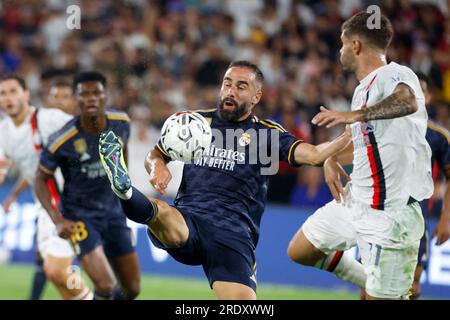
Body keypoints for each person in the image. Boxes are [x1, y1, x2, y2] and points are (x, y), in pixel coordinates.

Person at [98, 60, 351, 300]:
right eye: (227, 83)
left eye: (241, 87)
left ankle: (126, 193)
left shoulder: (266, 134)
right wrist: (157, 166)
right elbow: (156, 153)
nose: (231, 91)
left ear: (256, 97)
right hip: (190, 219)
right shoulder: (196, 122)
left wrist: (345, 137)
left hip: (233, 234)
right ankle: (125, 190)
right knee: (160, 211)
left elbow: (314, 154)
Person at [286, 12, 433, 300]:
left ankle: (384, 290)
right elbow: (366, 142)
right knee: (300, 250)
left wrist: (354, 115)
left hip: (391, 216)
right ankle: (374, 282)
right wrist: (331, 158)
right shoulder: (362, 89)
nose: (339, 51)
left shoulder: (395, 73)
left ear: (355, 46)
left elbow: (406, 100)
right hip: (356, 203)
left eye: (342, 44)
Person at [35, 71, 141, 300]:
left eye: (97, 93)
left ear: (105, 96)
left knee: (131, 289)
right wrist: (57, 219)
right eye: (84, 94)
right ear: (76, 98)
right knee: (104, 286)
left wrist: (123, 183)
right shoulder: (61, 140)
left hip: (113, 212)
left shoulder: (121, 122)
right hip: (80, 217)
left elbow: (123, 147)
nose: (91, 98)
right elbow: (40, 179)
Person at [0, 74, 93, 300]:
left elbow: (88, 136)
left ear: (26, 94)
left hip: (72, 204)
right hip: (45, 207)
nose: (8, 98)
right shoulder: (3, 132)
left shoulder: (50, 119)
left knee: (57, 269)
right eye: (3, 93)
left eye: (13, 91)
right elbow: (15, 169)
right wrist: (12, 195)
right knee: (54, 272)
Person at [410, 73, 450, 299]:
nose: (415, 96)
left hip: (417, 222)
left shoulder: (438, 136)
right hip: (378, 219)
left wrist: (445, 218)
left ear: (428, 97)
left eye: (420, 91)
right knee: (368, 286)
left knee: (413, 285)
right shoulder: (381, 128)